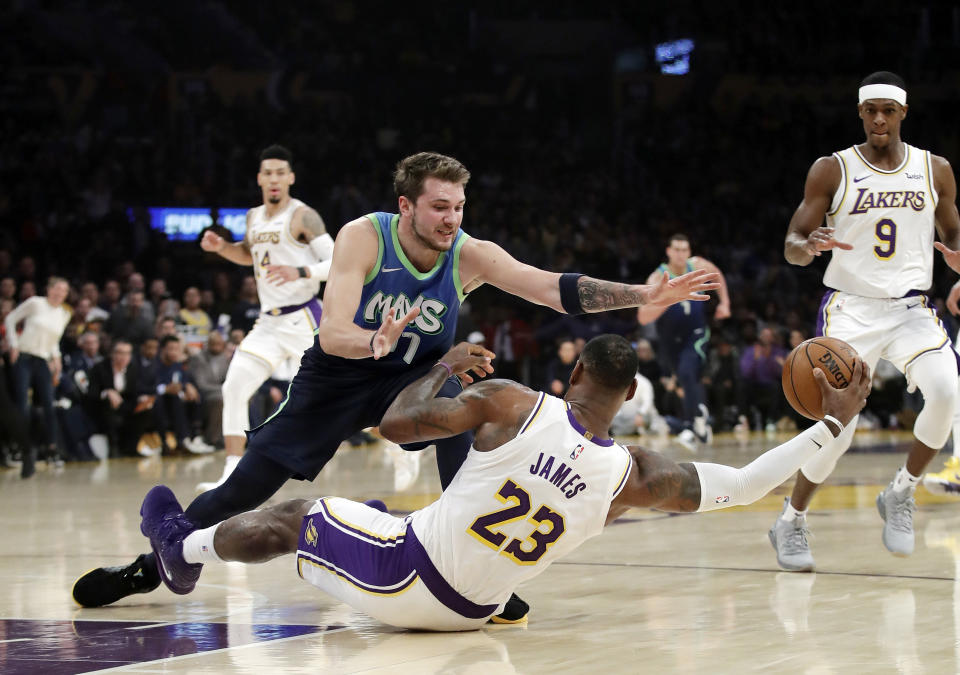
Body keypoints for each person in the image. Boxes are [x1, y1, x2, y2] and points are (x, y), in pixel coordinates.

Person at [73, 151, 719, 621]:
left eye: (459, 206)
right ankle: (154, 562)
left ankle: (474, 575)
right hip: (340, 374)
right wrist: (373, 341)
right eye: (439, 206)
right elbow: (332, 335)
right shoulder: (364, 235)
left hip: (414, 380)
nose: (451, 218)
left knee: (468, 427)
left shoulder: (466, 252)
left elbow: (549, 287)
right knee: (251, 485)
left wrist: (642, 293)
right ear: (406, 204)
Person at [138, 336, 870, 631]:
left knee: (298, 514)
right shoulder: (633, 475)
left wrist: (442, 368)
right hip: (478, 608)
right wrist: (831, 426)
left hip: (405, 579)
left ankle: (181, 549)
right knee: (368, 515)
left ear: (576, 372)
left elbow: (395, 424)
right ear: (631, 391)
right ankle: (343, 540)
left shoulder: (513, 401)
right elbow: (744, 484)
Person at [768, 71, 960, 572]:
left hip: (911, 309)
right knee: (838, 430)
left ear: (903, 113)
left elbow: (955, 235)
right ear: (860, 112)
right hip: (851, 308)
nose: (879, 118)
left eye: (888, 110)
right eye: (870, 110)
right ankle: (791, 518)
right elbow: (792, 241)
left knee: (945, 392)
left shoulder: (934, 169)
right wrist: (806, 248)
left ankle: (902, 492)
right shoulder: (832, 169)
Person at [195, 144, 333, 492]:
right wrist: (221, 248)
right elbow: (248, 255)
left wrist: (299, 270)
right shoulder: (253, 216)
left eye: (279, 173)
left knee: (340, 395)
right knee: (234, 387)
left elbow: (336, 263)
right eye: (267, 173)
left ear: (290, 178)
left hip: (305, 318)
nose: (273, 179)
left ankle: (398, 448)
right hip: (268, 323)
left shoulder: (304, 216)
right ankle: (230, 472)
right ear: (259, 178)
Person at [637, 234, 730, 446]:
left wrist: (724, 303)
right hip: (670, 340)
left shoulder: (697, 265)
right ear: (668, 251)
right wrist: (666, 299)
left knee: (688, 373)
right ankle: (701, 423)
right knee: (687, 381)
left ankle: (691, 424)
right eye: (676, 249)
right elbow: (643, 316)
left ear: (689, 252)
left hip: (695, 334)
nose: (680, 254)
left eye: (684, 250)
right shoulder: (657, 277)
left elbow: (718, 275)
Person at [4, 276, 72, 467]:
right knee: (22, 404)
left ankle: (51, 449)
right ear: (49, 289)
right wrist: (14, 344)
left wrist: (56, 358)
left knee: (49, 404)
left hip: (43, 360)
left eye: (64, 290)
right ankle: (20, 448)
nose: (60, 293)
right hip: (24, 357)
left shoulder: (64, 314)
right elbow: (10, 319)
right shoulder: (36, 303)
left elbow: (53, 340)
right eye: (57, 288)